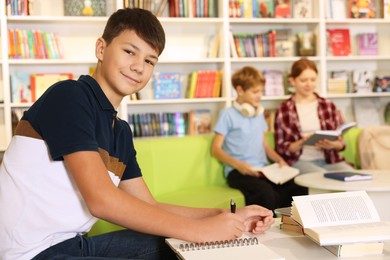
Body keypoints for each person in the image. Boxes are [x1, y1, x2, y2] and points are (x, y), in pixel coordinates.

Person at [0, 8, 274, 260]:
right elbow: (102, 200)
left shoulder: (120, 131)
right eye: (130, 51)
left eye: (149, 60)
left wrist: (226, 217)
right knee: (191, 240)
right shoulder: (69, 96)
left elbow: (150, 206)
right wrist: (202, 231)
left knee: (176, 245)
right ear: (101, 48)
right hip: (28, 253)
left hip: (72, 244)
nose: (138, 66)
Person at [211, 66, 307, 214]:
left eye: (261, 91)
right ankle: (266, 229)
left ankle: (289, 226)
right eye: (255, 92)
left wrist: (280, 161)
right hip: (238, 172)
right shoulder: (227, 114)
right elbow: (216, 149)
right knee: (266, 193)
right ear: (240, 90)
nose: (259, 96)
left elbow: (265, 145)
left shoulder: (258, 114)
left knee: (299, 186)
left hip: (262, 169)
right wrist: (239, 165)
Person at [274, 58, 355, 174]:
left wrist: (333, 145)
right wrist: (302, 142)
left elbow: (341, 144)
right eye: (303, 80)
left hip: (330, 160)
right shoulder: (284, 109)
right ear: (293, 81)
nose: (309, 84)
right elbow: (281, 149)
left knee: (354, 178)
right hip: (300, 161)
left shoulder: (328, 105)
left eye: (313, 80)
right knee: (319, 178)